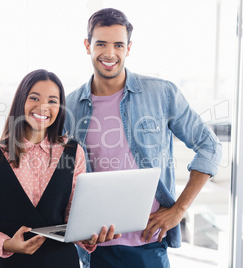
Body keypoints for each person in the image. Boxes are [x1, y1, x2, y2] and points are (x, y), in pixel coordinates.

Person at [64, 8, 223, 268]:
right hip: (94, 249)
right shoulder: (70, 105)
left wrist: (178, 210)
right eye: (101, 44)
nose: (110, 54)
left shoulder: (161, 94)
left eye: (118, 45)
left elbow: (210, 146)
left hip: (148, 244)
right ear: (87, 46)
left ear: (129, 48)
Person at [0, 69, 117, 268]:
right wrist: (7, 244)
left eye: (52, 101)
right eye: (34, 97)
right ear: (21, 101)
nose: (43, 106)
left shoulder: (73, 152)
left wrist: (88, 238)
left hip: (62, 262)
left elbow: (74, 218)